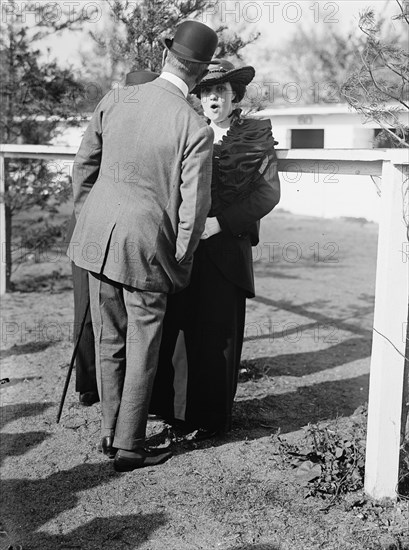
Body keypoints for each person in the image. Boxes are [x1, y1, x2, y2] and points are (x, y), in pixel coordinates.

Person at [67, 20, 219, 472]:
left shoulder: (117, 97)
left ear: (167, 55)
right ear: (201, 71)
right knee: (143, 344)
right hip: (147, 247)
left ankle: (110, 433)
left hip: (99, 238)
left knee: (109, 336)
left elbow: (82, 167)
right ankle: (131, 446)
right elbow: (193, 208)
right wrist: (182, 257)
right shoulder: (195, 125)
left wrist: (91, 219)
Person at [150, 59, 281, 440]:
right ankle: (177, 414)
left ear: (234, 95)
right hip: (187, 248)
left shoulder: (255, 134)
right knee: (181, 330)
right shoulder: (190, 131)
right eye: (206, 92)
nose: (213, 98)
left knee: (219, 336)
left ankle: (211, 418)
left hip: (226, 250)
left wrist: (219, 223)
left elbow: (268, 193)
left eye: (220, 92)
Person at [65, 69, 159, 408]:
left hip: (128, 234)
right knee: (91, 315)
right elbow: (83, 167)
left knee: (126, 323)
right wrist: (87, 213)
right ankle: (91, 385)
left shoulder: (154, 130)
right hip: (93, 228)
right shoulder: (110, 117)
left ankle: (123, 407)